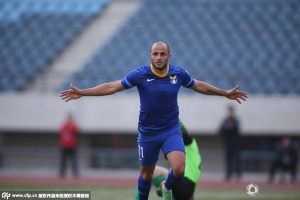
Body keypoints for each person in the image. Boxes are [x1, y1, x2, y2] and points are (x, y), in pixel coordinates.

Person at [60, 41, 247, 200]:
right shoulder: (139, 75)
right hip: (148, 133)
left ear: (169, 56)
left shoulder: (178, 74)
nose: (159, 57)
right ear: (150, 55)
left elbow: (198, 86)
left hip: (170, 130)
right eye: (155, 54)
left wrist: (224, 93)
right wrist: (83, 92)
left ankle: (167, 188)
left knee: (179, 169)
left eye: (162, 54)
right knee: (146, 174)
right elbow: (111, 87)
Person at [134, 119, 202, 200]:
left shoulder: (189, 144)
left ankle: (165, 193)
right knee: (170, 174)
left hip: (183, 182)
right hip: (189, 190)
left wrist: (169, 116)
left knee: (150, 170)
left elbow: (182, 129)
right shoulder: (194, 156)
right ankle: (166, 190)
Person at [219, 105, 241, 181]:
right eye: (229, 111)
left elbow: (236, 129)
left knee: (237, 160)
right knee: (228, 160)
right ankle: (228, 175)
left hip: (235, 144)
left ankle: (238, 175)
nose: (230, 113)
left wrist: (229, 128)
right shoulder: (225, 121)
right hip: (227, 144)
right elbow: (220, 130)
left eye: (231, 111)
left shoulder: (236, 120)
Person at [59, 113, 79, 178]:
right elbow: (61, 131)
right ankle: (62, 173)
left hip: (72, 146)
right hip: (64, 146)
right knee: (63, 160)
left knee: (73, 160)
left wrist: (70, 126)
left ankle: (75, 173)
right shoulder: (64, 125)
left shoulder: (73, 126)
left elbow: (75, 130)